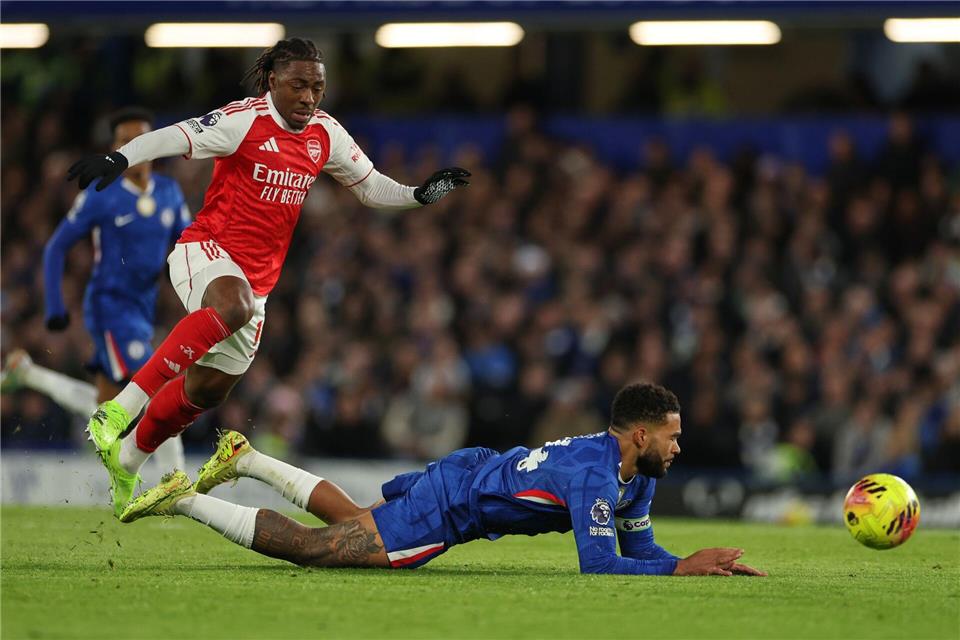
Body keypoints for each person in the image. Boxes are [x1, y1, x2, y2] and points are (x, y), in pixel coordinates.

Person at [66, 38, 470, 516]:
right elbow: (175, 136)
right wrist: (120, 158)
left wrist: (420, 194)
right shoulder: (244, 120)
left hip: (257, 286)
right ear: (273, 80)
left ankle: (129, 457)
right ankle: (119, 409)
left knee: (206, 391)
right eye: (299, 85)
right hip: (205, 251)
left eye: (317, 87)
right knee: (231, 306)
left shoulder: (325, 134)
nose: (309, 97)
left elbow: (371, 187)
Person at [121, 382, 766, 577]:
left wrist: (687, 563)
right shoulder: (597, 477)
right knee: (316, 551)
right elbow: (599, 564)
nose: (681, 447)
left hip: (471, 467)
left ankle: (246, 461)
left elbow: (639, 550)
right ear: (641, 435)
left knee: (350, 524)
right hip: (451, 508)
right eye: (674, 436)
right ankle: (187, 500)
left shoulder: (634, 473)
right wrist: (680, 572)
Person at [2, 107, 188, 471]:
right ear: (115, 147)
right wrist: (55, 306)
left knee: (108, 405)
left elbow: (188, 241)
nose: (135, 146)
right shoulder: (102, 193)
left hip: (143, 307)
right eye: (125, 141)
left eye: (142, 139)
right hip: (110, 307)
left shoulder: (169, 191)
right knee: (157, 386)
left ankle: (29, 373)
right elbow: (56, 246)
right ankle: (177, 482)